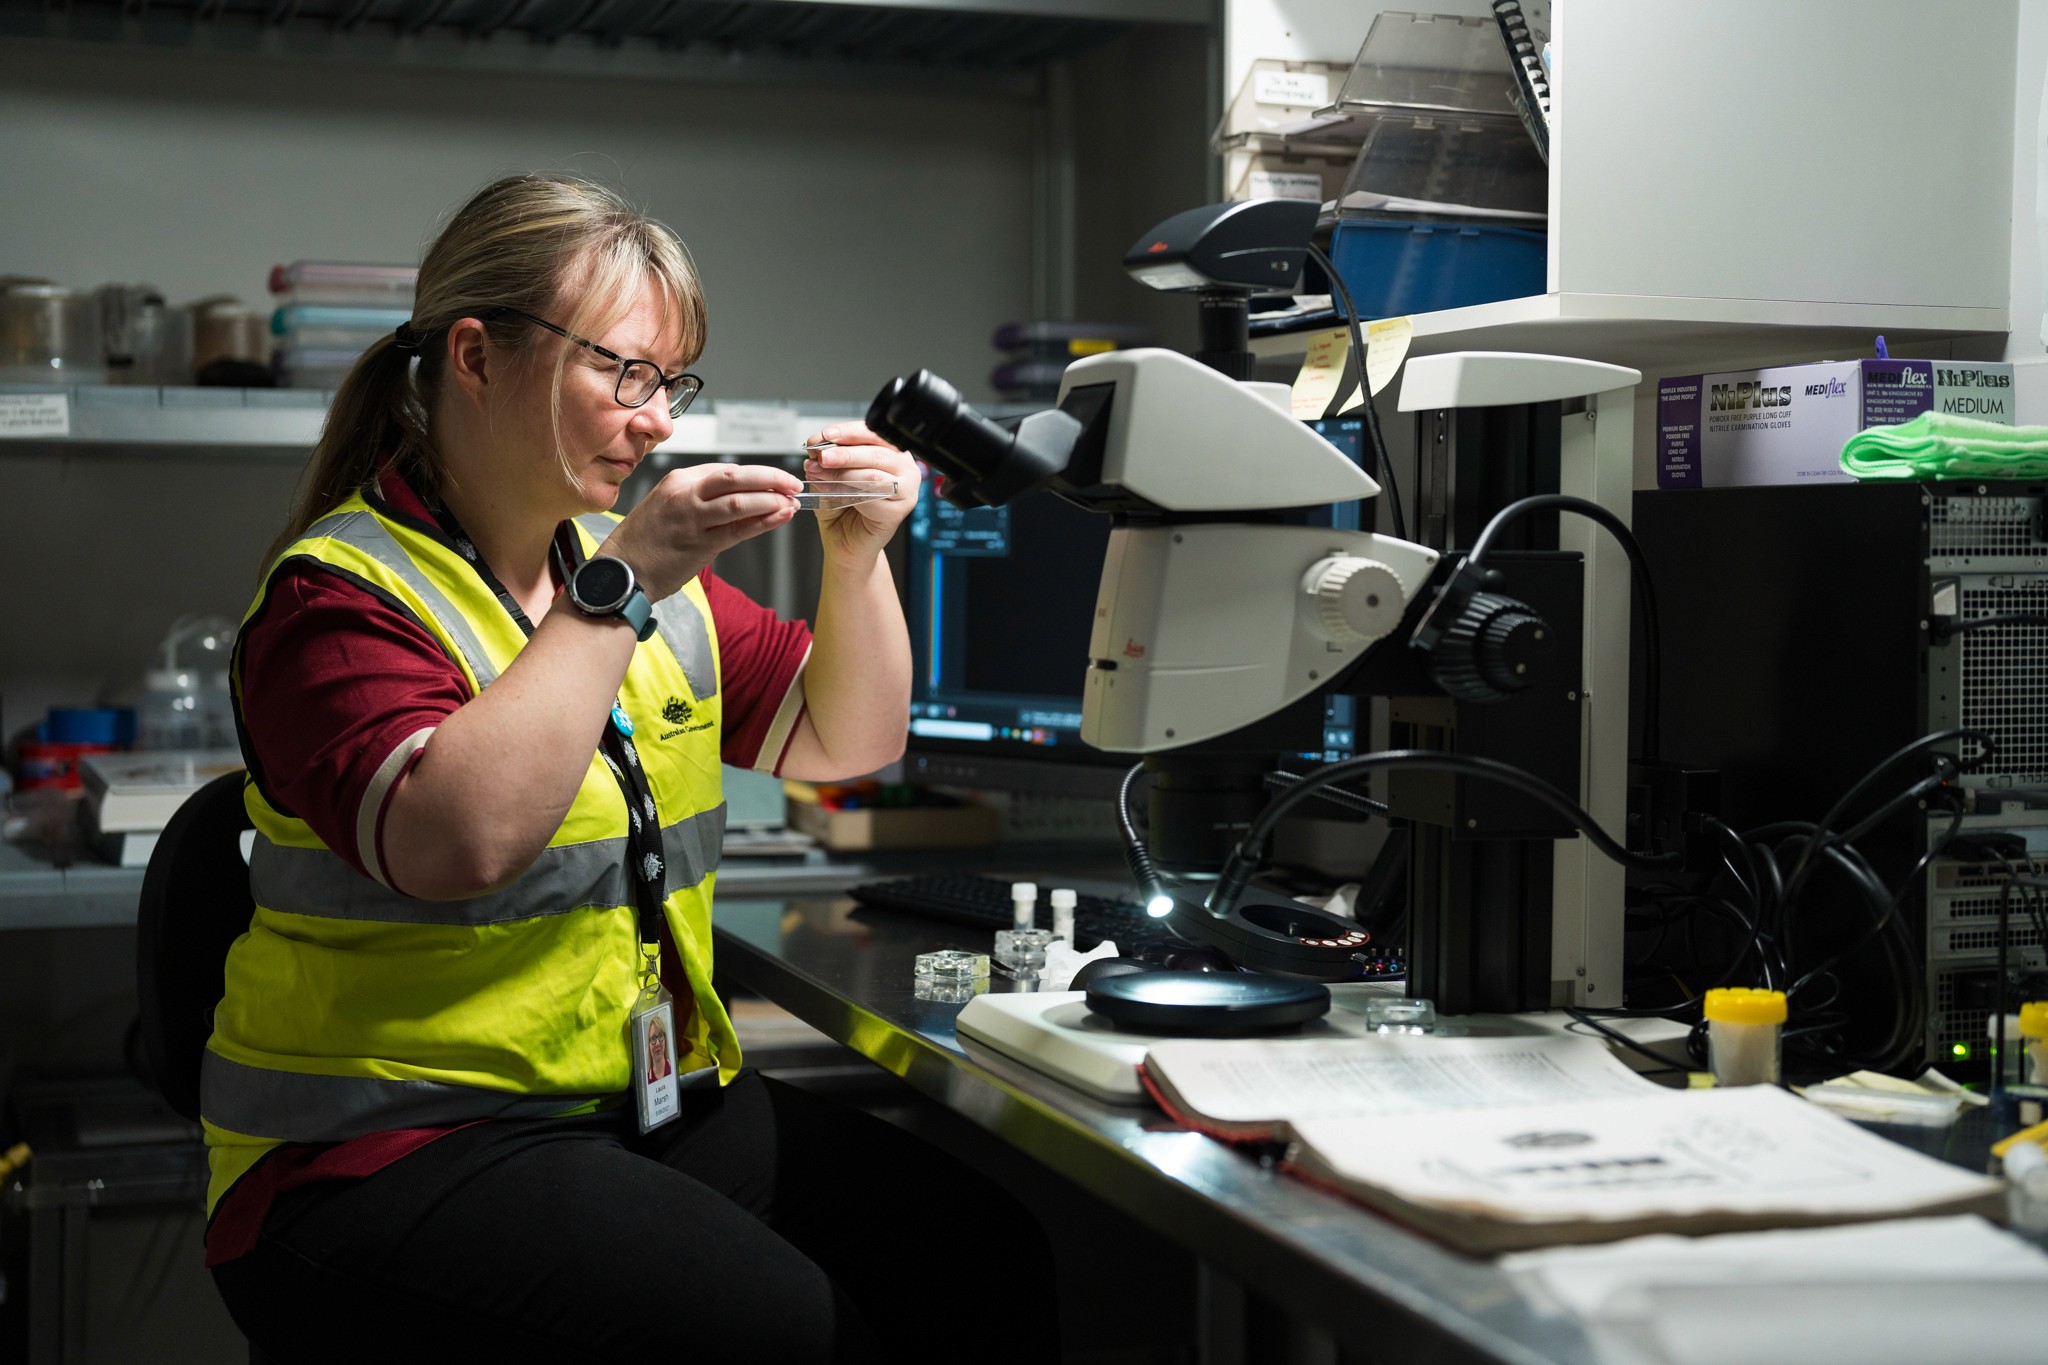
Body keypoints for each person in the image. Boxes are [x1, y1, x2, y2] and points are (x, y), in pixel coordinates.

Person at [200, 174, 1058, 1363]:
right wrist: (622, 585)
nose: (655, 421)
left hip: (637, 1106)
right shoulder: (340, 598)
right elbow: (456, 844)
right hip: (392, 1144)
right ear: (476, 356)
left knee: (979, 1256)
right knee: (798, 1338)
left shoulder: (631, 581)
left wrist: (857, 560)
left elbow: (841, 743)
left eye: (669, 383)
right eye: (623, 373)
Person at [646, 1012, 672, 1083]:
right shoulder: (646, 1080)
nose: (657, 1043)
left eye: (660, 1035)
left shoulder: (674, 1069)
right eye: (653, 1038)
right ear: (649, 1045)